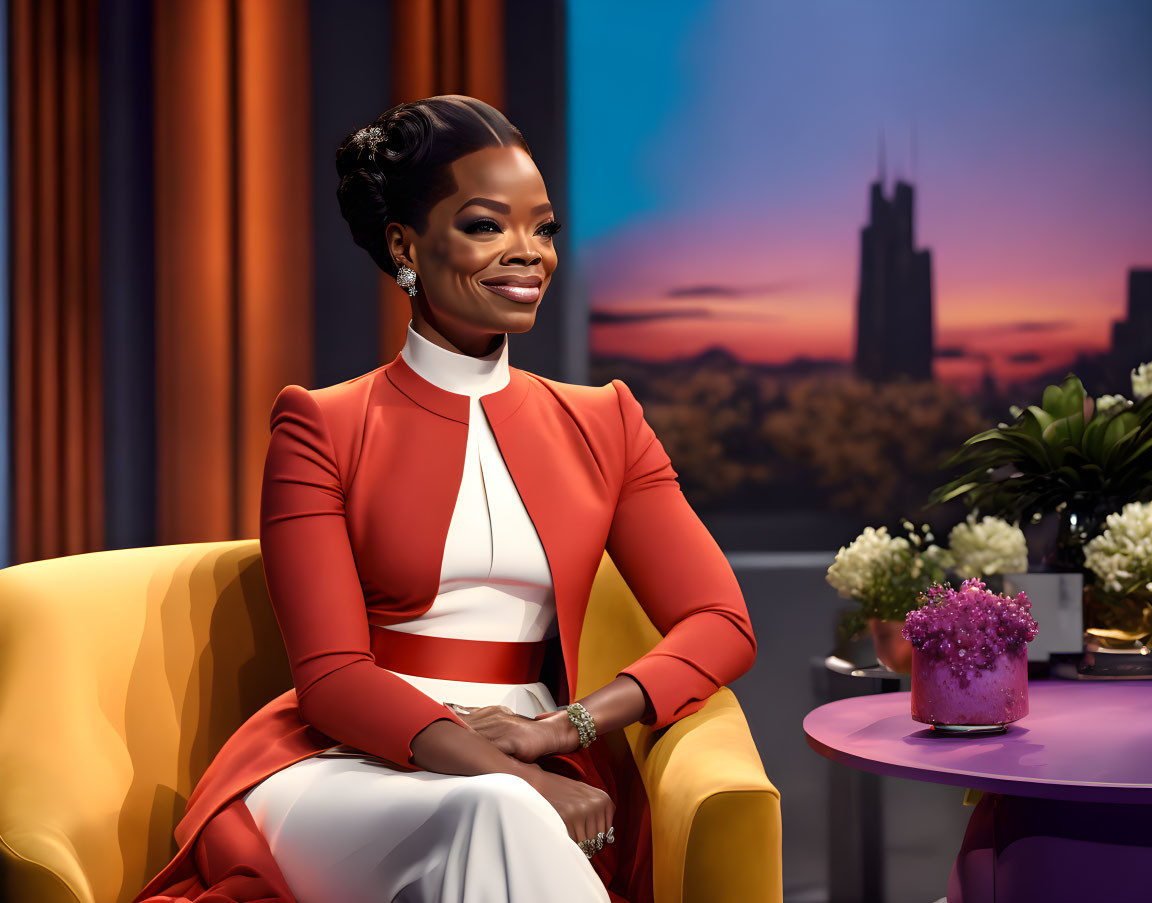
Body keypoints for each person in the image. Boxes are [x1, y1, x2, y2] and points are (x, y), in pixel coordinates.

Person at [134, 95, 757, 903]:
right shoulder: (320, 424)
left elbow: (720, 622)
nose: (527, 253)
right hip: (343, 763)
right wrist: (506, 772)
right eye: (485, 225)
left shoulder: (605, 420)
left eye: (544, 228)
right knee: (496, 810)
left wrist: (555, 730)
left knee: (499, 814)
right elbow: (331, 679)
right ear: (405, 245)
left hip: (538, 754)